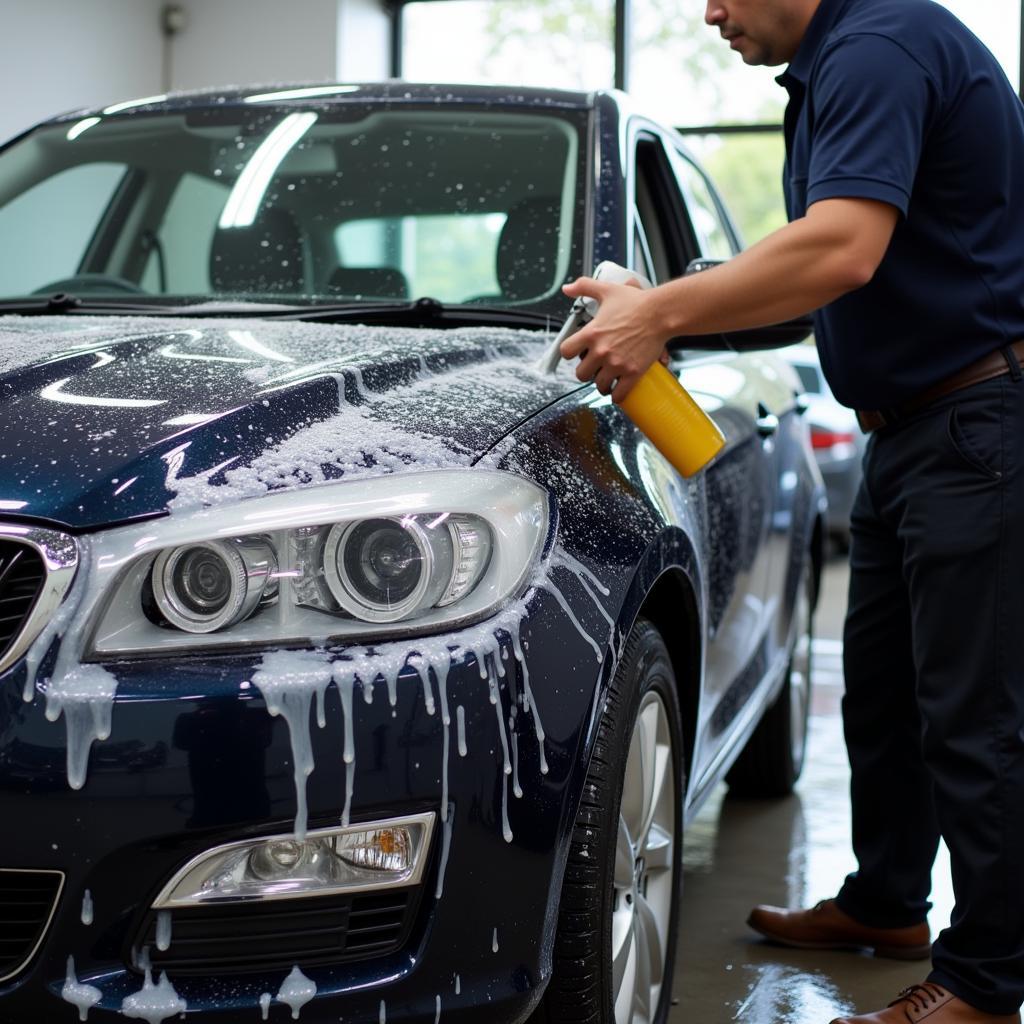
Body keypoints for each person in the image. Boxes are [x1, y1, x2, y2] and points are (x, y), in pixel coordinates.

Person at [559, 0, 1024, 1021]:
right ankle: (888, 901)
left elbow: (840, 250)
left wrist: (661, 313)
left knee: (974, 718)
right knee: (886, 697)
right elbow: (820, 273)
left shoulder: (874, 48)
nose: (711, 11)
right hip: (915, 431)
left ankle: (987, 985)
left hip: (972, 426)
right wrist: (670, 295)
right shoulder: (839, 67)